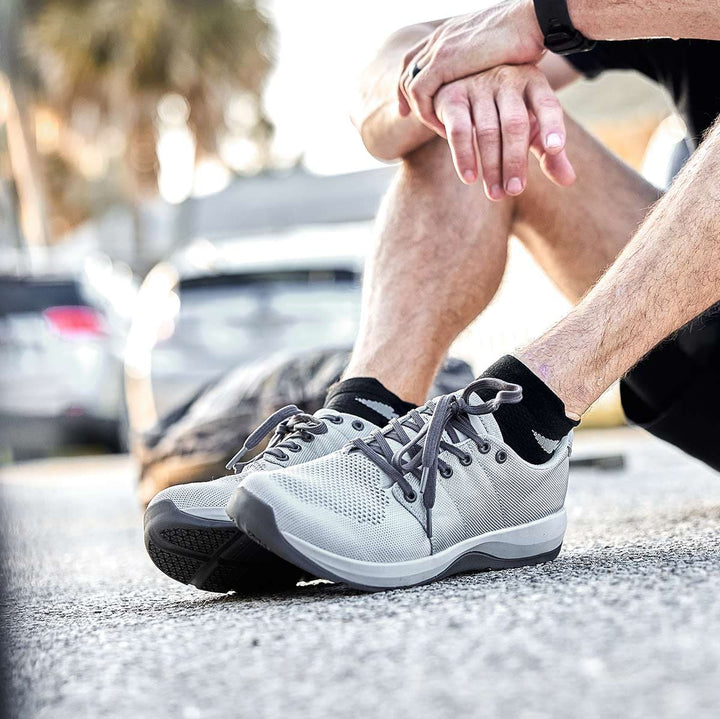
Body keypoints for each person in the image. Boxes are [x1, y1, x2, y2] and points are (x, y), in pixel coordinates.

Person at [146, 0, 720, 592]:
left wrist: (541, 17)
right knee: (483, 114)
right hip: (700, 357)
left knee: (490, 89)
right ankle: (361, 418)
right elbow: (378, 96)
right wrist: (441, 80)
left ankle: (524, 428)